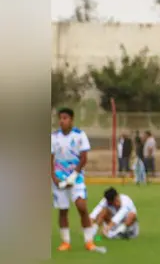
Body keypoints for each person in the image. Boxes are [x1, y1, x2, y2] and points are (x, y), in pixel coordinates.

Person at [52, 108, 99, 252]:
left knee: (81, 207)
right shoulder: (54, 137)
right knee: (63, 210)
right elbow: (50, 158)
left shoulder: (80, 135)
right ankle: (66, 242)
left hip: (76, 176)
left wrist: (74, 176)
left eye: (65, 118)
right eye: (60, 118)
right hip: (59, 177)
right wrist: (54, 177)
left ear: (71, 120)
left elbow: (84, 158)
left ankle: (89, 241)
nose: (62, 121)